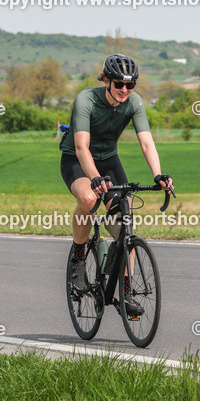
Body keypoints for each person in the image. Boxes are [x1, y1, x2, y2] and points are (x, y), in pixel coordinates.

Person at [60, 53, 173, 316]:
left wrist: (158, 174)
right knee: (88, 199)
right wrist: (95, 178)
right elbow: (81, 146)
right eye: (119, 84)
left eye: (130, 85)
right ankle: (78, 259)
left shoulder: (134, 102)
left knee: (125, 221)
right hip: (76, 159)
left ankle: (125, 291)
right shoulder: (86, 100)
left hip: (109, 159)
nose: (125, 89)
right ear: (107, 81)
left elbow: (146, 142)